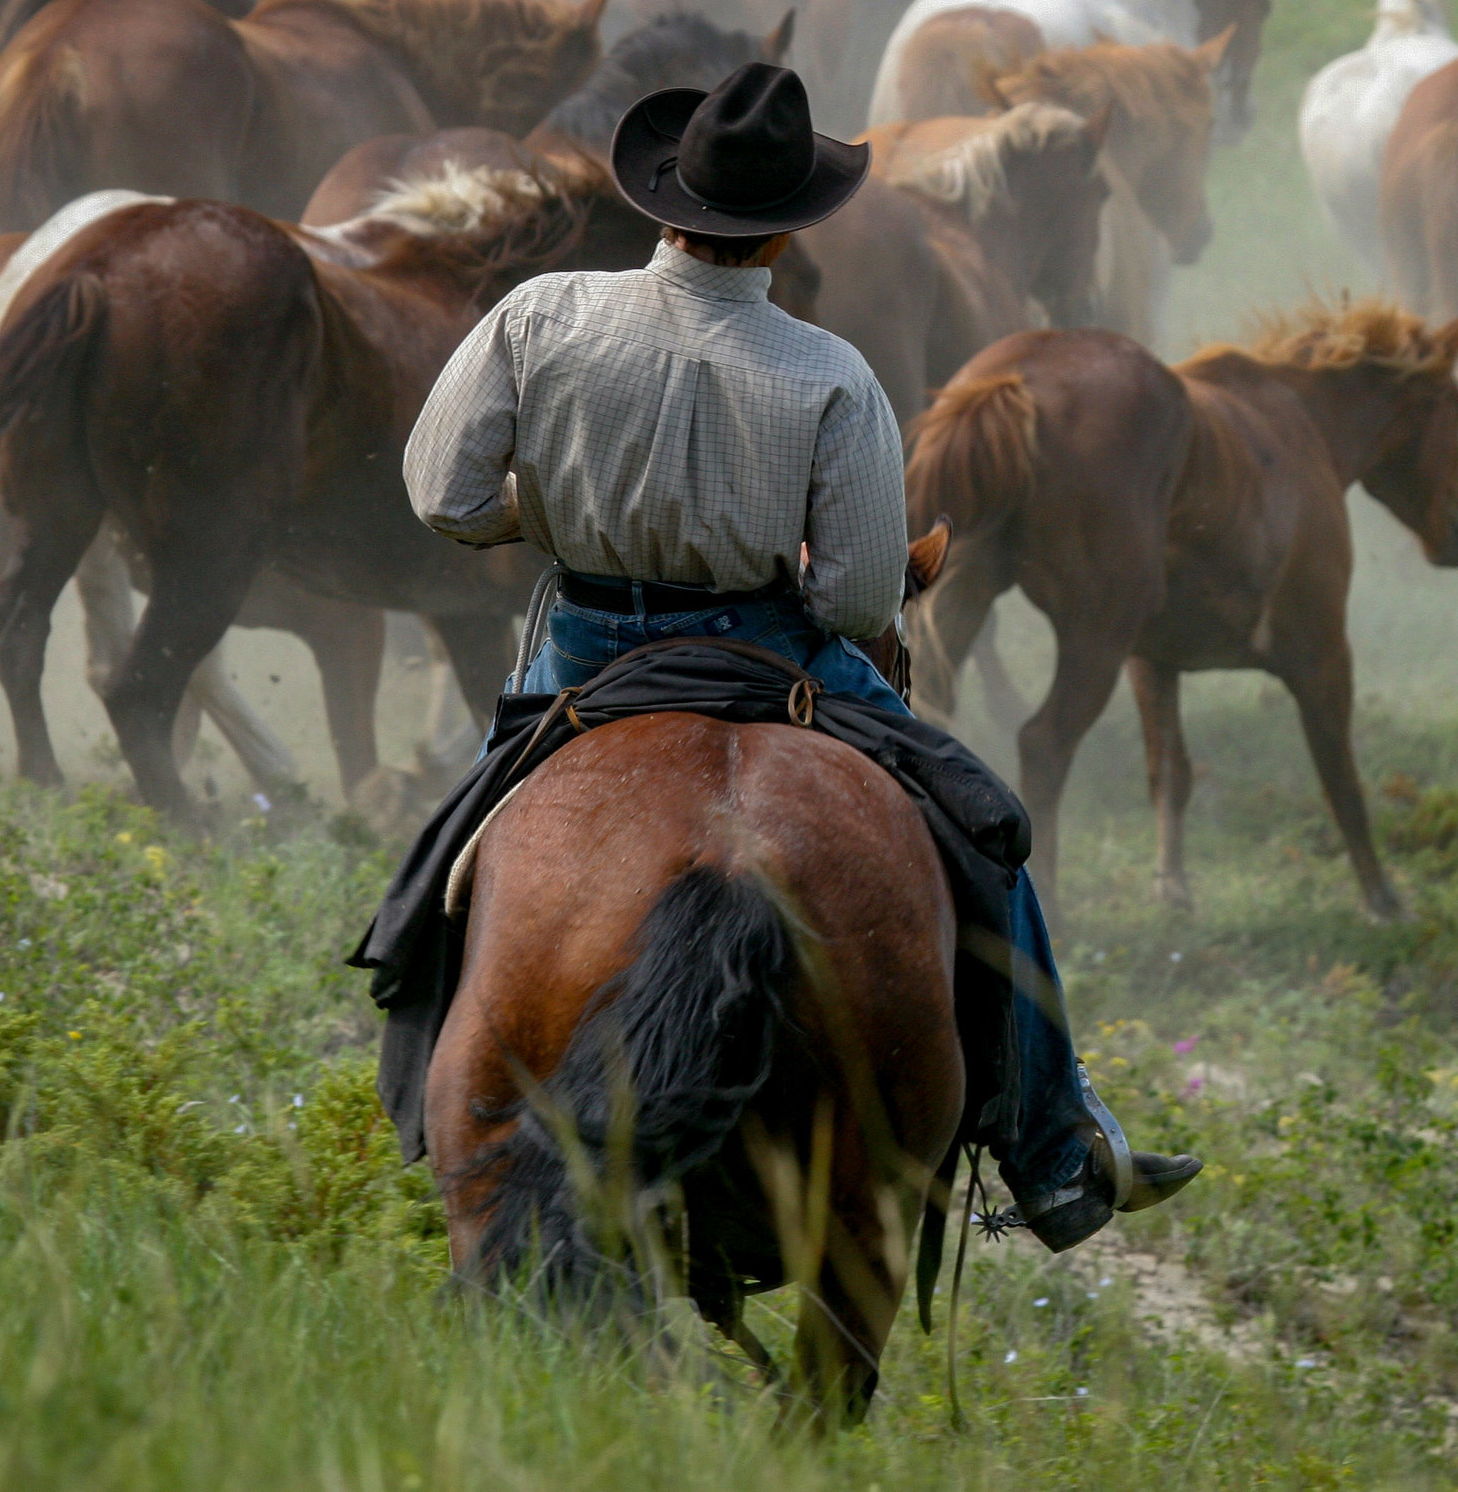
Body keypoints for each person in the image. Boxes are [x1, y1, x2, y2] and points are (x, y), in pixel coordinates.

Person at [401, 62, 1198, 1251]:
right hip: (775, 658)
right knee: (985, 838)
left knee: (453, 856)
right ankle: (1052, 1142)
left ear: (664, 203)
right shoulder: (833, 375)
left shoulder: (539, 316)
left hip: (582, 650)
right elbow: (863, 591)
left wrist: (551, 518)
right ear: (782, 231)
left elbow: (443, 493)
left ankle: (429, 1085)